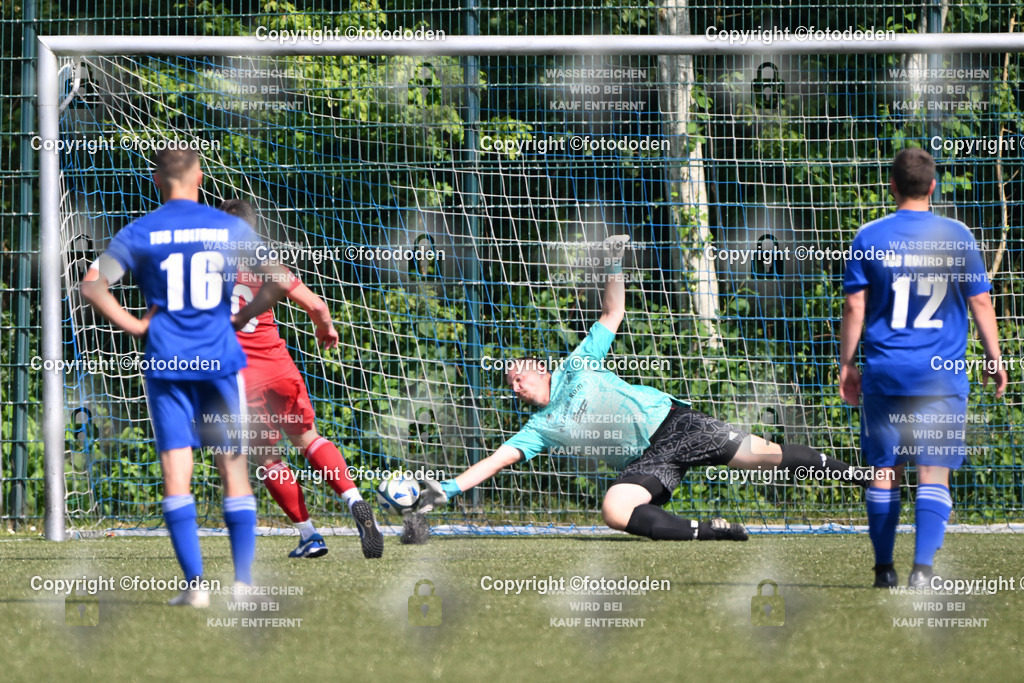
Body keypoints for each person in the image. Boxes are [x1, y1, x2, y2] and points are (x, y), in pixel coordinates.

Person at [417, 236, 868, 540]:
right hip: (648, 460)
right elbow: (494, 461)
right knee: (615, 508)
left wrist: (611, 260)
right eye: (510, 384)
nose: (516, 384)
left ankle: (864, 477)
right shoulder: (539, 428)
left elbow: (613, 312)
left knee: (763, 457)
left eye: (519, 374)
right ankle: (712, 530)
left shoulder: (577, 364)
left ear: (541, 368)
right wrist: (448, 490)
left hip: (675, 424)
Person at [80, 148, 292, 607]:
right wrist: (241, 318)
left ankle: (196, 587)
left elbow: (92, 284)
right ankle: (242, 585)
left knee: (177, 474)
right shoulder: (229, 226)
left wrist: (136, 325)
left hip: (167, 363)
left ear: (157, 180)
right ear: (198, 175)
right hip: (218, 359)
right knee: (232, 466)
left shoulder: (140, 231)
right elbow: (280, 280)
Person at [839, 147, 1006, 588]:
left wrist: (847, 363)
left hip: (887, 371)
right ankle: (923, 572)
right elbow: (980, 302)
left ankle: (883, 571)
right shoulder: (957, 236)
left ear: (892, 185)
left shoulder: (869, 236)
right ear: (933, 186)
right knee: (932, 471)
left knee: (884, 471)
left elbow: (855, 305)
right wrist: (995, 357)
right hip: (940, 376)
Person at [219, 199, 383, 560]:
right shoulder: (265, 262)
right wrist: (325, 328)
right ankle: (354, 499)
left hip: (241, 378)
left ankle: (310, 535)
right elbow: (318, 306)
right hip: (279, 369)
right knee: (308, 438)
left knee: (268, 458)